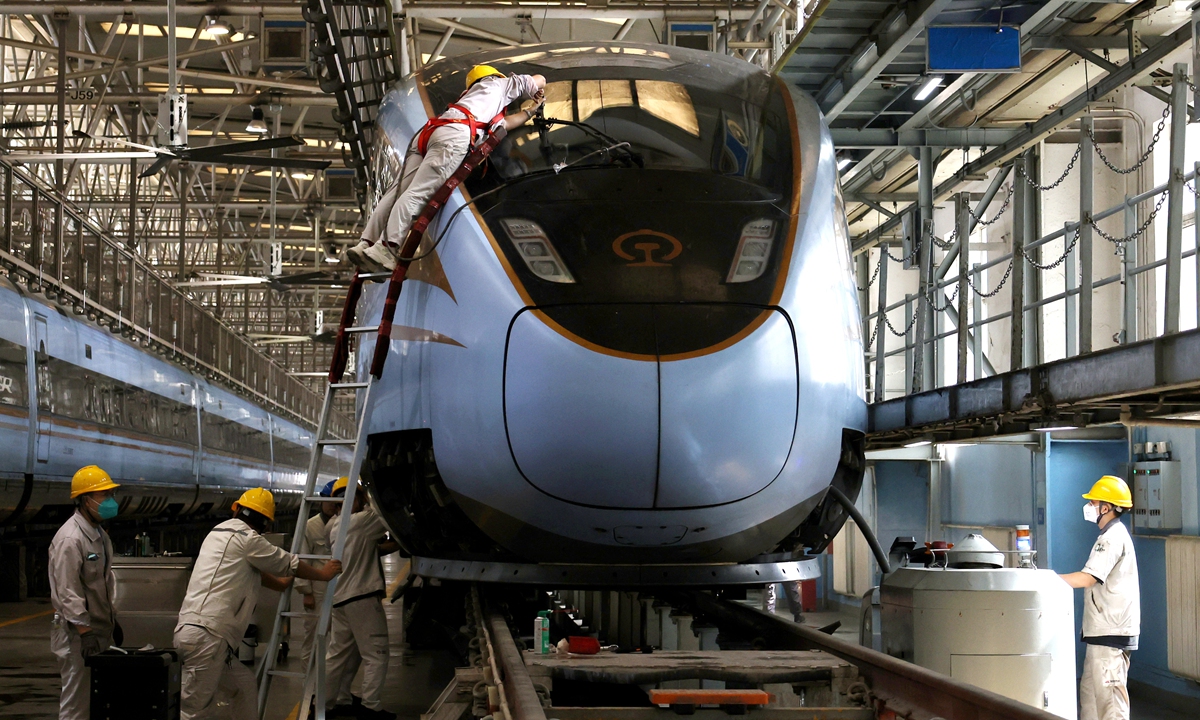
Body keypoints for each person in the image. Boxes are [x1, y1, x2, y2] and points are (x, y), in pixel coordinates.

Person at [347, 65, 547, 272]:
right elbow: (539, 78)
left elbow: (503, 125)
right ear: (494, 76)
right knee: (417, 193)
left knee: (396, 191)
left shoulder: (473, 100)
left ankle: (366, 244)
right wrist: (535, 89)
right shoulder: (498, 84)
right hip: (453, 137)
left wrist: (530, 111)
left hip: (431, 133)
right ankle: (386, 248)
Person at [175, 488, 342, 720]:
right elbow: (288, 563)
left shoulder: (217, 533)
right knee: (194, 710)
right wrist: (323, 574)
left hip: (203, 635)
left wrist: (282, 584)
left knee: (243, 687)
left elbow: (253, 572)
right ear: (264, 523)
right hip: (207, 637)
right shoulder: (247, 539)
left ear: (237, 510)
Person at [1058, 475, 1140, 720]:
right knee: (1092, 701)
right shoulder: (1110, 535)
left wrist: (1049, 580)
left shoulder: (1112, 538)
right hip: (1101, 633)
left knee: (1110, 706)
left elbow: (1088, 578)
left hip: (1111, 634)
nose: (1089, 507)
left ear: (1106, 507)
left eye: (1093, 503)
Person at [48, 465, 121, 720]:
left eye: (111, 494)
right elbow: (68, 590)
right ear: (84, 499)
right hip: (77, 635)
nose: (110, 501)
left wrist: (112, 617)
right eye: (104, 495)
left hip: (98, 631)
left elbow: (102, 581)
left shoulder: (99, 534)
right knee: (77, 705)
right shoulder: (71, 539)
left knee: (97, 703)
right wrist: (85, 632)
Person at [323, 477, 393, 720]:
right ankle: (371, 708)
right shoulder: (363, 520)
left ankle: (328, 703)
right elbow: (389, 514)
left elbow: (365, 547)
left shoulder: (333, 525)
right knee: (377, 655)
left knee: (339, 655)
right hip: (361, 597)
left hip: (340, 598)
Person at [294, 479, 339, 668]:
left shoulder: (347, 525)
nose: (331, 505)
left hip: (341, 587)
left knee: (338, 639)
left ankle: (331, 688)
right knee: (312, 639)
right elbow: (301, 559)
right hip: (318, 589)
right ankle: (309, 687)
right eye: (327, 500)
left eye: (335, 501)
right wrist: (306, 592)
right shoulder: (310, 526)